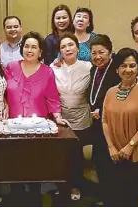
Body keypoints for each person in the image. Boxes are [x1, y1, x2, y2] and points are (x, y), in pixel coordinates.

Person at [102, 48, 138, 206]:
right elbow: (105, 121)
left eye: (132, 66)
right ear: (117, 69)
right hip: (116, 153)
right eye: (123, 66)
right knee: (117, 195)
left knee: (135, 196)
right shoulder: (110, 92)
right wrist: (111, 147)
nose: (128, 70)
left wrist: (130, 146)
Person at [50, 32, 92, 200]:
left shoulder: (88, 66)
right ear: (59, 51)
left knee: (77, 154)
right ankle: (61, 185)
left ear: (77, 47)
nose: (67, 49)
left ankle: (75, 185)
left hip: (82, 116)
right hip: (61, 118)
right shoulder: (54, 67)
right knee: (61, 155)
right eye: (63, 47)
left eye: (70, 45)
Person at [86, 34, 122, 206]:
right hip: (96, 126)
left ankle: (113, 201)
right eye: (94, 53)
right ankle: (105, 198)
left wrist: (105, 110)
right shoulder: (94, 70)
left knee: (111, 166)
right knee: (99, 162)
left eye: (101, 52)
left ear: (110, 51)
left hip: (112, 127)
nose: (97, 57)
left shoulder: (117, 70)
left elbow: (122, 96)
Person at [5, 31, 66, 124]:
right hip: (13, 124)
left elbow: (53, 99)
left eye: (34, 47)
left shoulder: (47, 72)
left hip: (39, 125)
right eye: (26, 46)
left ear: (40, 51)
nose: (29, 50)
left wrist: (58, 117)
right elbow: (2, 92)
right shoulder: (11, 67)